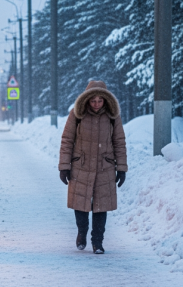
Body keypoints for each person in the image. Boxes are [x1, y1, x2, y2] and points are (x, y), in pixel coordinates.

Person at [58, 80, 128, 254]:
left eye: (100, 100)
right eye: (93, 100)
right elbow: (67, 140)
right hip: (81, 166)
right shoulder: (76, 114)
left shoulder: (113, 117)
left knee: (101, 206)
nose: (96, 104)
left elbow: (119, 142)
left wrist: (122, 168)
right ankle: (82, 232)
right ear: (87, 99)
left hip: (104, 167)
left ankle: (98, 242)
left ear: (106, 100)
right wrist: (64, 166)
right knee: (80, 204)